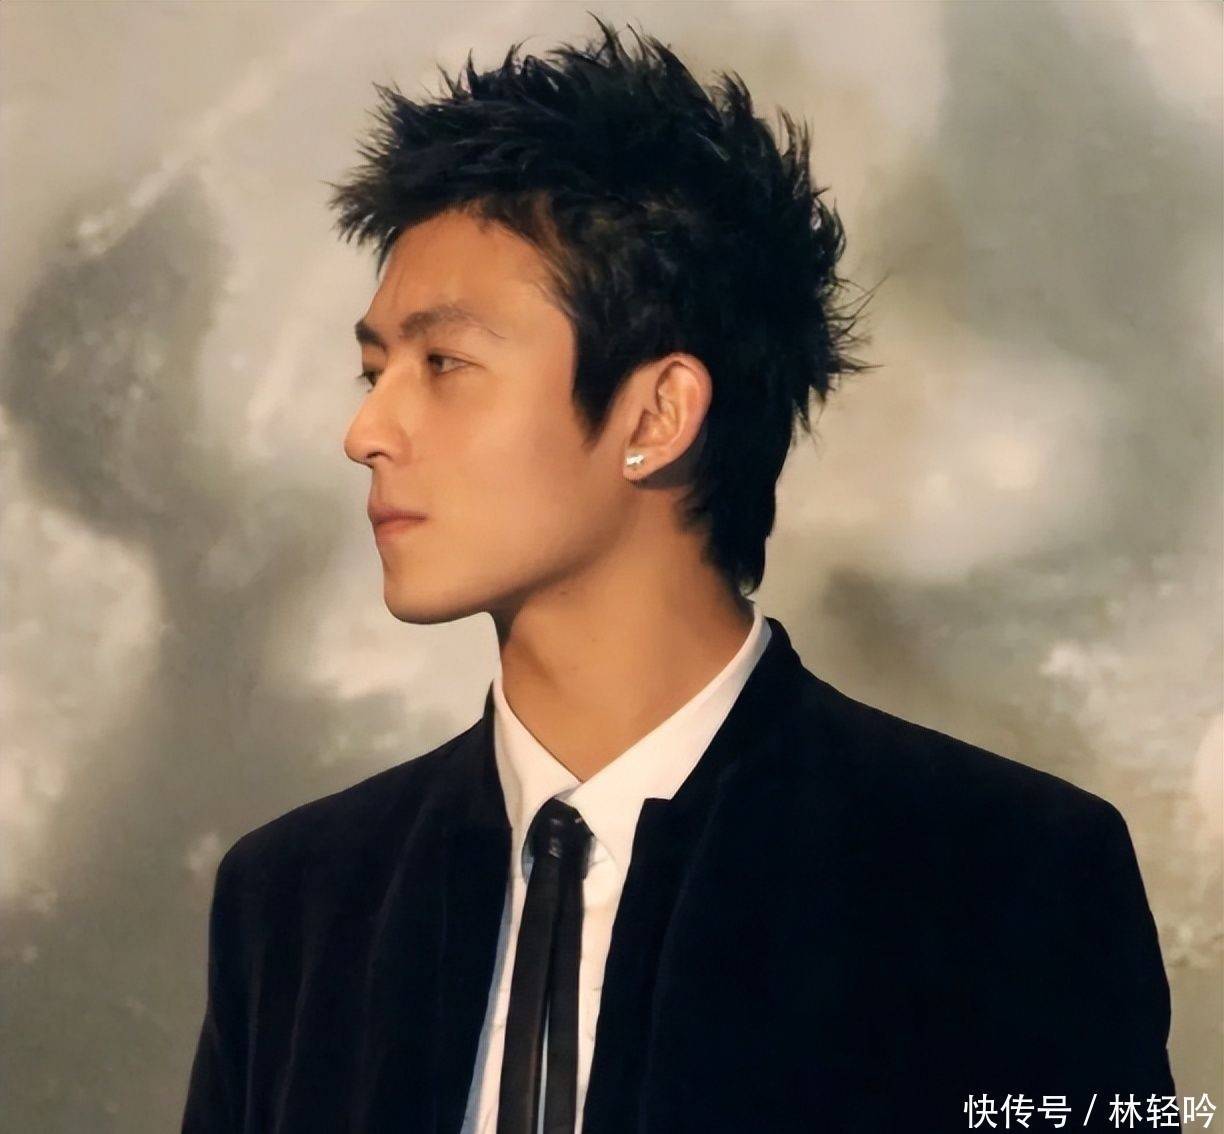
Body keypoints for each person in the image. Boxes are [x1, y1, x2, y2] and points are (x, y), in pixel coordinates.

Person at [181, 17, 1177, 1134]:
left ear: (657, 414)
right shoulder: (298, 902)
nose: (366, 431)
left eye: (444, 362)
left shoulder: (1006, 877)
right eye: (375, 370)